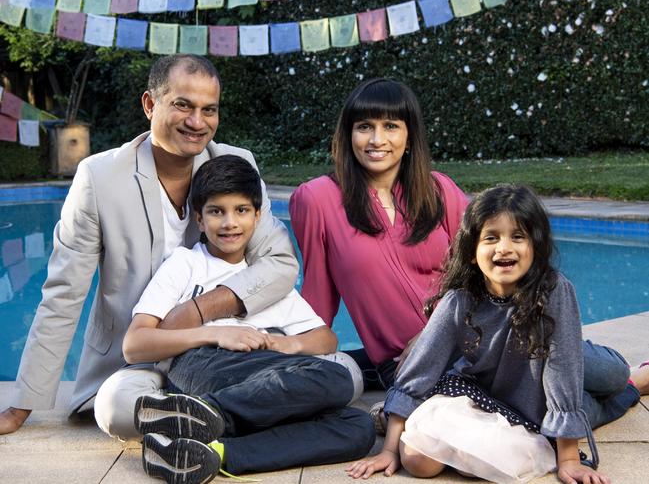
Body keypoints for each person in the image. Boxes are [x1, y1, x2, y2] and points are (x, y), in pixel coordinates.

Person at [0, 54, 299, 436]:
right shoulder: (101, 177)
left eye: (209, 110)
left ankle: (200, 416)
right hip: (135, 363)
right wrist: (22, 403)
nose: (197, 122)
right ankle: (229, 414)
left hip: (223, 355)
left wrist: (198, 309)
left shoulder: (236, 164)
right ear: (149, 104)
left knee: (346, 375)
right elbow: (63, 292)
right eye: (182, 105)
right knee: (117, 410)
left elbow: (280, 264)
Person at [347, 184, 648, 484]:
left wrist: (568, 458)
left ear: (536, 247)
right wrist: (390, 450)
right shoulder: (460, 301)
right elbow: (418, 371)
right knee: (418, 462)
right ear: (471, 252)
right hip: (497, 392)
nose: (504, 247)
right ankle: (394, 418)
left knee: (612, 379)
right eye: (492, 237)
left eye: (518, 237)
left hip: (551, 372)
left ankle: (634, 381)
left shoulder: (554, 291)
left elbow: (563, 371)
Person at [122, 156, 375, 482]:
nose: (229, 222)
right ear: (199, 219)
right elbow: (135, 344)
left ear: (257, 217)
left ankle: (211, 451)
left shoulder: (266, 279)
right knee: (338, 381)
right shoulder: (185, 265)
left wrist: (288, 343)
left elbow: (325, 339)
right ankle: (209, 412)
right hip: (204, 365)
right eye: (216, 211)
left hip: (265, 377)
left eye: (241, 210)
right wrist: (215, 334)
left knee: (358, 426)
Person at [289, 78, 469, 391]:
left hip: (473, 341)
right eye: (364, 126)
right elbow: (318, 295)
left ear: (409, 136)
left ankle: (578, 436)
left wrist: (436, 335)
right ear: (348, 135)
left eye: (390, 126)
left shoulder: (440, 190)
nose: (376, 139)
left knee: (567, 372)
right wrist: (296, 359)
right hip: (407, 365)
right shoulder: (317, 199)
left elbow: (476, 277)